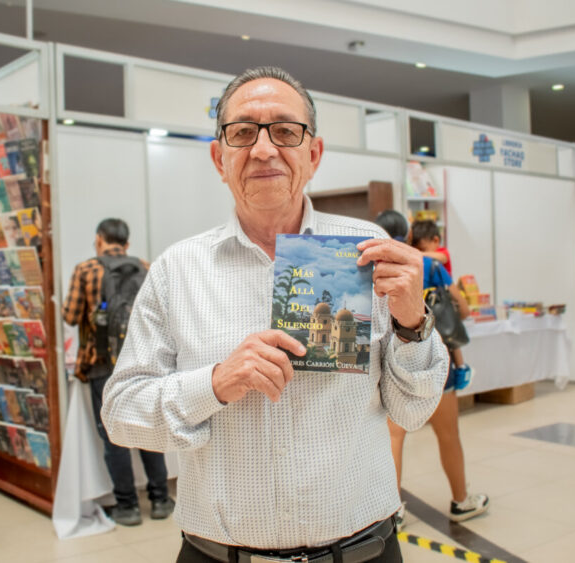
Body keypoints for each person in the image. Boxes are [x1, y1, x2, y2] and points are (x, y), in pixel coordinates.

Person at [101, 67, 449, 562]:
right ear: (220, 158)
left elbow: (413, 411)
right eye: (243, 133)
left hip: (362, 552)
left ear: (314, 154)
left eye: (286, 131)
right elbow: (121, 415)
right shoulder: (176, 271)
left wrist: (412, 320)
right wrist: (216, 383)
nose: (264, 149)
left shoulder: (367, 255)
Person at [375, 212, 489, 530]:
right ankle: (461, 500)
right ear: (408, 232)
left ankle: (393, 510)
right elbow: (462, 310)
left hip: (388, 363)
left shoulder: (369, 264)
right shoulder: (429, 265)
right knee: (448, 436)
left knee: (394, 439)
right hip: (434, 361)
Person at [62, 218, 174, 527]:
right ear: (126, 242)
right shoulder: (146, 267)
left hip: (102, 365)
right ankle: (161, 499)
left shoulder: (86, 270)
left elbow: (70, 315)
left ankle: (127, 507)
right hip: (143, 364)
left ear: (99, 239)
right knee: (148, 429)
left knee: (114, 436)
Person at [409, 220, 472, 388]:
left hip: (424, 325)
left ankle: (461, 368)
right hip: (439, 319)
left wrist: (414, 253)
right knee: (449, 344)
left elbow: (443, 257)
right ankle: (460, 370)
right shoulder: (433, 265)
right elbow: (462, 305)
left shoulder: (433, 259)